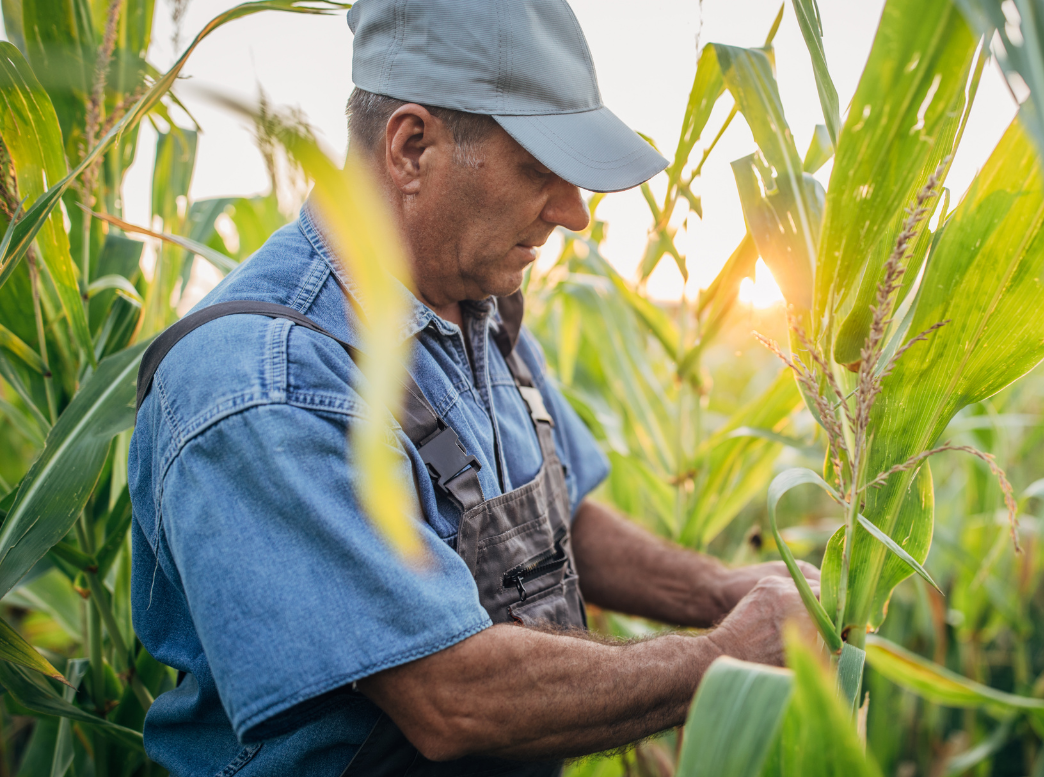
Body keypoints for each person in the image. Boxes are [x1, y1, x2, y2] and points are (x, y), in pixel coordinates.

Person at [128, 0, 818, 774]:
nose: (575, 213)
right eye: (539, 168)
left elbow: (559, 519)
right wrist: (725, 655)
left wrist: (717, 589)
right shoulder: (265, 380)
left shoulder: (477, 309)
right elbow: (450, 695)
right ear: (412, 148)